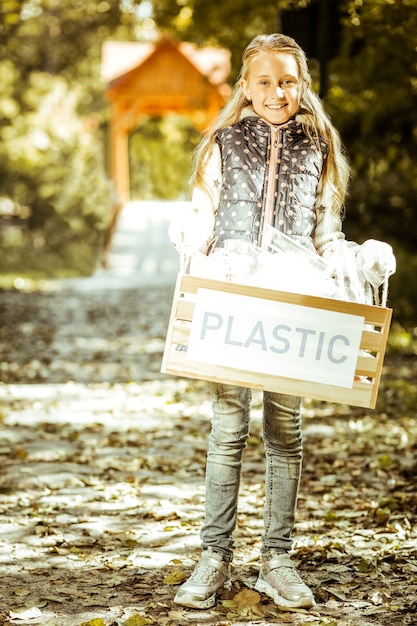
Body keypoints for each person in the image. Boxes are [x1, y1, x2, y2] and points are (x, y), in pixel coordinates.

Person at [168, 33, 395, 611]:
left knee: (284, 431)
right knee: (228, 426)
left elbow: (325, 235)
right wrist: (192, 236)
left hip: (293, 298)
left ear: (302, 85)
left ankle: (277, 558)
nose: (276, 91)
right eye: (264, 81)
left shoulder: (318, 146)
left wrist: (357, 259)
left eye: (288, 81)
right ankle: (213, 556)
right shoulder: (224, 141)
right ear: (245, 87)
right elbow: (206, 213)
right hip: (234, 293)